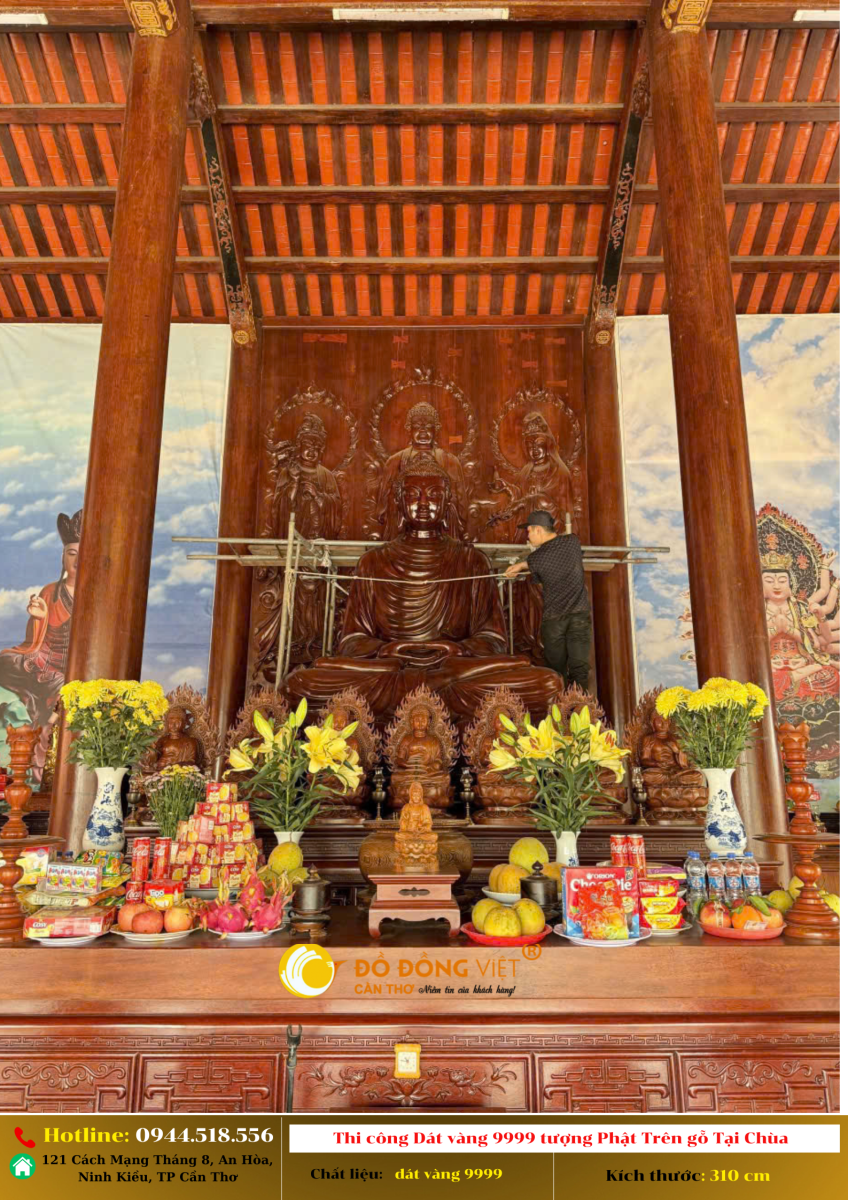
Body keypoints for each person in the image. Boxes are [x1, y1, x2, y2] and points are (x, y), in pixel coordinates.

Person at [503, 509, 591, 690]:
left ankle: (570, 705)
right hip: (572, 616)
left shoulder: (542, 555)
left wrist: (521, 565)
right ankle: (572, 706)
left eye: (529, 531)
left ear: (538, 529)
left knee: (564, 670)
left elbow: (542, 561)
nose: (527, 536)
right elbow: (548, 560)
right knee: (570, 670)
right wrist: (524, 565)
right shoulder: (570, 543)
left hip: (559, 619)